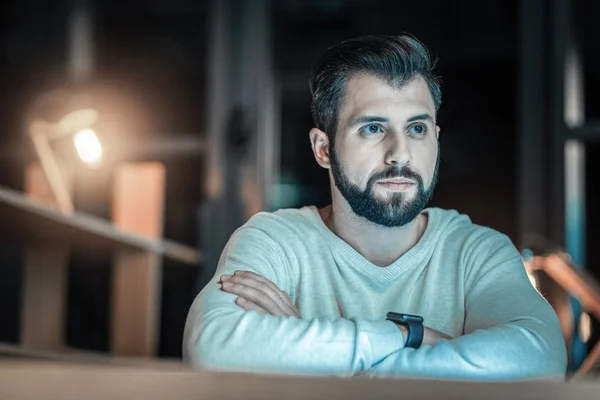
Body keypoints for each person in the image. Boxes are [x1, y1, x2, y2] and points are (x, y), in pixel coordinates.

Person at [183, 35, 566, 380]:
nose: (400, 153)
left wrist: (323, 359)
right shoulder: (273, 241)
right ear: (323, 149)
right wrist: (410, 336)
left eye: (416, 129)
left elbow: (541, 356)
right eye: (372, 128)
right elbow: (211, 347)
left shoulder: (476, 251)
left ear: (434, 138)